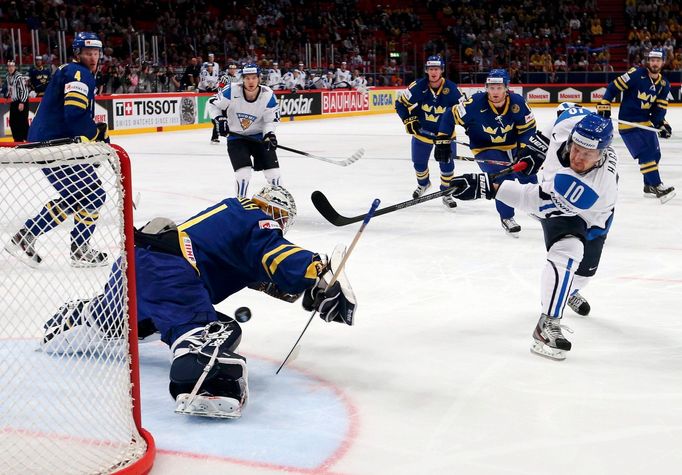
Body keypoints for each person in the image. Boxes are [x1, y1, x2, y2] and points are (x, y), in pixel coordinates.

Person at [40, 186, 357, 419]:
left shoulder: (229, 225)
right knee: (212, 330)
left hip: (133, 266)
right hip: (169, 272)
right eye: (281, 219)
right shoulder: (253, 216)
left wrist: (306, 291)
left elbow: (263, 274)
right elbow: (274, 253)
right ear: (272, 209)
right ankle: (203, 381)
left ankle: (76, 315)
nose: (280, 226)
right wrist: (318, 273)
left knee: (122, 318)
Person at [447, 112, 618, 360]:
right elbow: (567, 111)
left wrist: (486, 187)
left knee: (584, 274)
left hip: (593, 214)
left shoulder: (592, 187)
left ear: (601, 154)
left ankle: (568, 291)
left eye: (587, 154)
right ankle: (547, 324)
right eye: (576, 148)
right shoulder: (571, 125)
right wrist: (538, 146)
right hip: (563, 208)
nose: (578, 157)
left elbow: (535, 201)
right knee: (568, 251)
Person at [4, 32, 110, 268]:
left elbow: (72, 114)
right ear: (77, 53)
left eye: (95, 53)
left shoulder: (72, 71)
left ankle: (25, 236)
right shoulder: (78, 73)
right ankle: (79, 250)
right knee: (93, 194)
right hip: (54, 145)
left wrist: (92, 134)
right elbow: (74, 113)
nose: (92, 58)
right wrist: (95, 135)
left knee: (78, 197)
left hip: (51, 142)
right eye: (87, 53)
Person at [435, 69, 538, 233]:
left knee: (529, 174)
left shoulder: (518, 103)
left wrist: (524, 149)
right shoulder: (475, 103)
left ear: (506, 88)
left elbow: (528, 130)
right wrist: (442, 139)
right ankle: (507, 217)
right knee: (504, 179)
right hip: (485, 148)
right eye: (491, 87)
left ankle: (537, 206)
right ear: (486, 87)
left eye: (498, 88)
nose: (494, 92)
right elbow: (450, 115)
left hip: (513, 146)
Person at [598, 48, 675, 203]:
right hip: (628, 124)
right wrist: (605, 103)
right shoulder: (635, 74)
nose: (654, 63)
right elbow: (613, 87)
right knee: (645, 154)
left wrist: (662, 123)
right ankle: (657, 185)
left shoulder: (664, 84)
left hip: (645, 123)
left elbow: (659, 109)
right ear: (648, 61)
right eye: (652, 60)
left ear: (663, 62)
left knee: (655, 155)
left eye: (658, 60)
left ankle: (648, 187)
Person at [394, 56, 462, 208]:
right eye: (431, 69)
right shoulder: (417, 86)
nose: (433, 72)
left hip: (445, 136)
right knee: (419, 164)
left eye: (436, 69)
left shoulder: (452, 89)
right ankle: (424, 184)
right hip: (422, 134)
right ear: (426, 70)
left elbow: (464, 111)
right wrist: (408, 119)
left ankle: (446, 192)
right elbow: (400, 104)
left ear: (442, 70)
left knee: (447, 167)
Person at [207, 63, 281, 197]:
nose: (250, 81)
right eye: (247, 78)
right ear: (242, 79)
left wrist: (269, 134)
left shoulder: (268, 95)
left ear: (259, 78)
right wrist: (219, 119)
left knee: (274, 174)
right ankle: (241, 203)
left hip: (259, 137)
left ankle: (278, 203)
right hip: (237, 138)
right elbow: (212, 103)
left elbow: (270, 120)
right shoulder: (231, 90)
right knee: (243, 173)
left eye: (254, 78)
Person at [4, 60, 30, 142]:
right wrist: (7, 96)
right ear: (7, 68)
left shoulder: (19, 76)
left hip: (22, 101)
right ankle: (18, 140)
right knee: (12, 122)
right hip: (14, 102)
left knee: (22, 122)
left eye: (12, 66)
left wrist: (22, 102)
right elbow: (10, 88)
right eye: (9, 66)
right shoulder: (8, 76)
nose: (10, 68)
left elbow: (25, 90)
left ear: (15, 67)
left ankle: (27, 139)